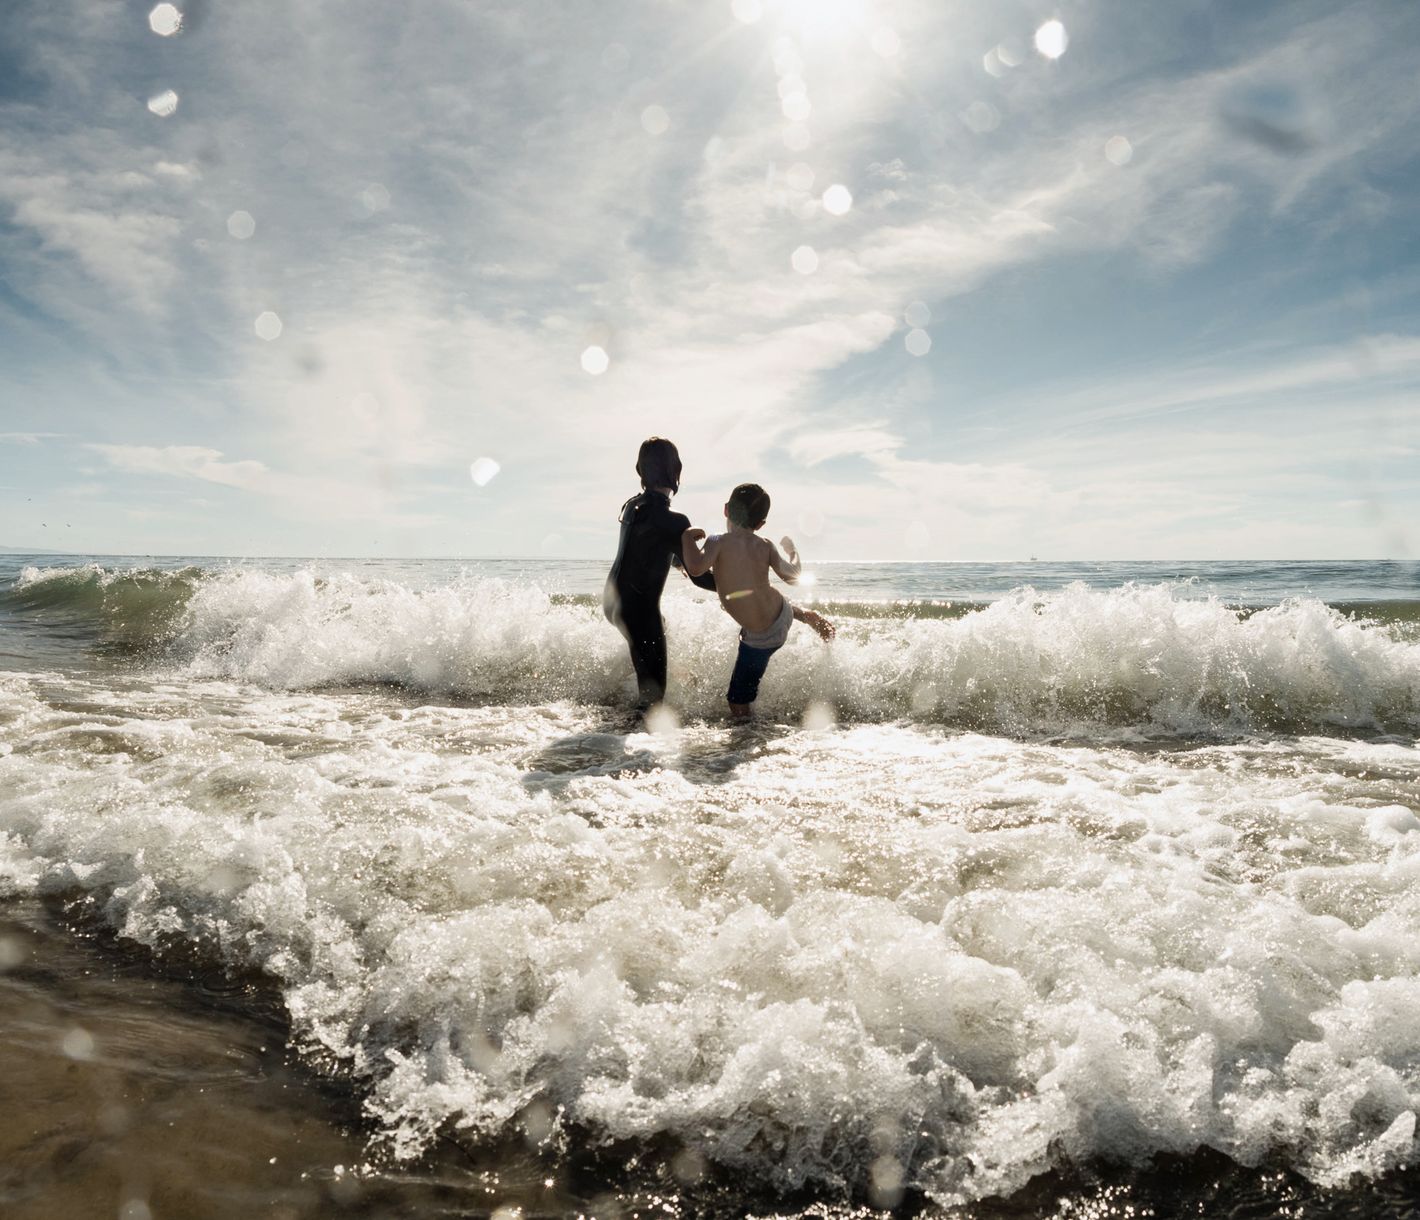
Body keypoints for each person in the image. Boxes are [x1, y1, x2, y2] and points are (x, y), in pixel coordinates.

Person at [681, 482, 834, 719]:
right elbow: (793, 578)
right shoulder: (766, 545)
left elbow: (695, 568)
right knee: (760, 594)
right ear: (761, 524)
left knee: (737, 701)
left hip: (759, 640)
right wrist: (793, 552)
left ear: (726, 510)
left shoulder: (716, 541)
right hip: (781, 614)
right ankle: (804, 615)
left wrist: (687, 538)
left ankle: (749, 736)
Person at [604, 437, 716, 707]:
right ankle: (623, 739)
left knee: (652, 644)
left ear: (640, 470)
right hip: (639, 611)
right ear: (676, 470)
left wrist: (679, 562)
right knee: (654, 700)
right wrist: (737, 585)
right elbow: (700, 578)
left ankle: (614, 707)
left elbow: (650, 546)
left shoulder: (633, 506)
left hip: (612, 602)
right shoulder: (675, 521)